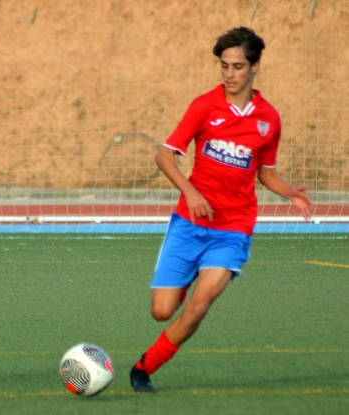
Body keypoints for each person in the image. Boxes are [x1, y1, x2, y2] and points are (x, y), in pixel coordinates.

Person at [129, 27, 313, 393]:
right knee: (162, 311)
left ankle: (143, 368)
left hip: (234, 228)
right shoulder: (204, 106)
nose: (230, 74)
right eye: (224, 66)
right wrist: (191, 191)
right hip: (189, 222)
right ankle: (185, 278)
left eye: (238, 66)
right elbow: (164, 155)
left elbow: (265, 174)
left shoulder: (268, 119)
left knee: (198, 308)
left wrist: (291, 192)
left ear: (255, 66)